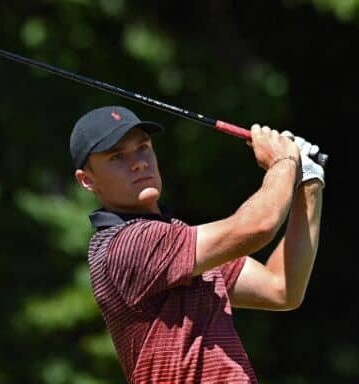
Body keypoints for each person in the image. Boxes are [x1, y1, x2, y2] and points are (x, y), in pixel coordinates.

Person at [70, 105, 325, 383]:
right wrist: (284, 161)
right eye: (117, 156)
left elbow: (281, 288)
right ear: (87, 180)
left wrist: (308, 183)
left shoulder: (182, 245)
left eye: (143, 147)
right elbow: (258, 226)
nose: (139, 162)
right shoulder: (125, 245)